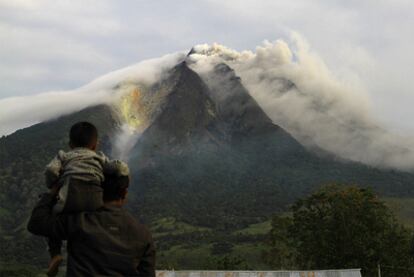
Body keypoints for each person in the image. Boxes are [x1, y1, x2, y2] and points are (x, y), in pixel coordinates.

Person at [43, 121, 129, 276]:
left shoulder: (64, 156)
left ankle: (55, 254)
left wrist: (52, 184)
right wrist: (123, 177)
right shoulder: (99, 157)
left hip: (70, 197)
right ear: (95, 145)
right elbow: (119, 167)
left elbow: (51, 170)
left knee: (51, 217)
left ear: (70, 144)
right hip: (95, 200)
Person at [27, 173, 156, 276]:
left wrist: (52, 193)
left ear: (97, 190)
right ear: (124, 193)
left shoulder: (79, 221)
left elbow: (36, 223)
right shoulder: (143, 234)